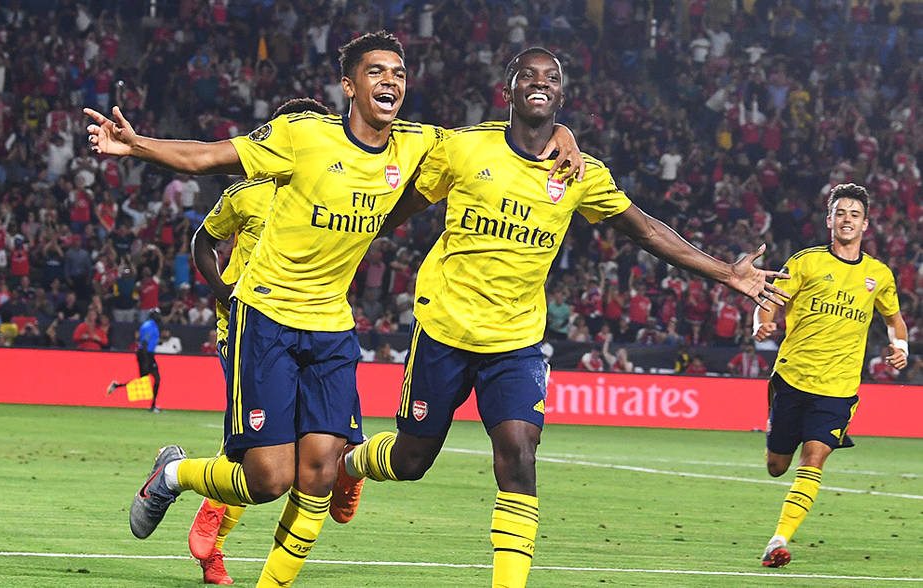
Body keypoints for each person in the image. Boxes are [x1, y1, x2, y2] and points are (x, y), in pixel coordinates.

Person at [85, 32, 584, 587]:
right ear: (349, 85)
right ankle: (174, 475)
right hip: (268, 317)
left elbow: (504, 137)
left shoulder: (419, 143)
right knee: (270, 480)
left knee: (319, 474)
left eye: (397, 72)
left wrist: (559, 131)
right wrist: (137, 145)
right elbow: (210, 157)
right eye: (375, 72)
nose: (389, 80)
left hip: (331, 326)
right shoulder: (302, 136)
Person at [331, 47, 789, 588]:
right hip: (445, 330)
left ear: (562, 95)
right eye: (527, 75)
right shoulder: (463, 148)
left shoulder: (580, 173)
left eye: (551, 77)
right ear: (509, 90)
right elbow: (391, 212)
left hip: (517, 341)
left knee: (519, 456)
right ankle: (352, 464)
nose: (539, 82)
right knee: (410, 460)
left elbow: (644, 229)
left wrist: (725, 273)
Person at [186, 97, 332, 586]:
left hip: (307, 327)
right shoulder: (245, 194)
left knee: (296, 448)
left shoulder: (331, 190)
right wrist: (223, 291)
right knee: (267, 446)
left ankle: (219, 513)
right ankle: (214, 530)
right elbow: (201, 241)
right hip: (246, 330)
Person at [752, 183, 907, 568]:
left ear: (866, 224)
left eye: (854, 214)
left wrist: (899, 347)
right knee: (776, 466)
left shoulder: (879, 275)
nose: (847, 220)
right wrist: (763, 324)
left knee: (814, 458)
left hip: (838, 390)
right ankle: (778, 433)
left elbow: (895, 320)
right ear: (829, 220)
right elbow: (768, 302)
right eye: (841, 213)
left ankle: (779, 539)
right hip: (792, 379)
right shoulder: (806, 262)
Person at [106, 308, 162, 412]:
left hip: (148, 354)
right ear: (153, 315)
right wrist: (145, 361)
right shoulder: (149, 326)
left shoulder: (153, 325)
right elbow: (144, 343)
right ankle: (152, 405)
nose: (160, 317)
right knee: (155, 379)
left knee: (150, 379)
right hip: (146, 354)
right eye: (157, 315)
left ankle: (117, 386)